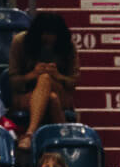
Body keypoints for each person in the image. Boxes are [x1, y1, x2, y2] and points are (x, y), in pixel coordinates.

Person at [6, 16, 78, 149]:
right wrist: (32, 74)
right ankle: (66, 143)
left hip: (60, 92)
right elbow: (13, 81)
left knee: (45, 79)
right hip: (26, 95)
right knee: (51, 98)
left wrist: (57, 76)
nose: (49, 39)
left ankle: (30, 134)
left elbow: (73, 81)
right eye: (46, 35)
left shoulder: (67, 45)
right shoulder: (20, 42)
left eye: (53, 35)